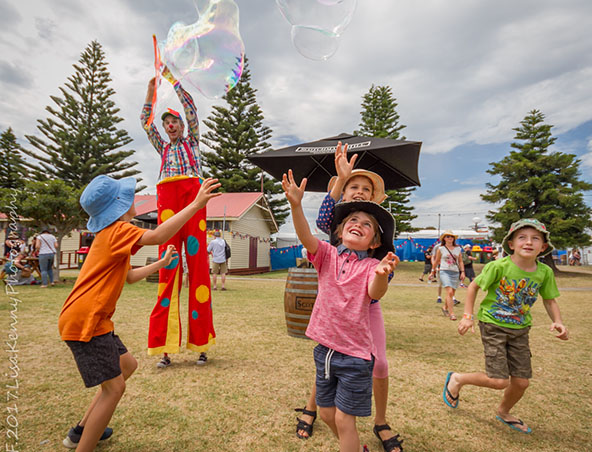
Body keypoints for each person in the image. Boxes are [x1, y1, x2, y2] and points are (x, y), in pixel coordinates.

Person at [59, 174, 220, 451]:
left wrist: (161, 263)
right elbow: (158, 234)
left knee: (127, 366)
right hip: (87, 321)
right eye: (128, 196)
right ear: (119, 206)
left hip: (94, 319)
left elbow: (129, 276)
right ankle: (83, 444)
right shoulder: (118, 230)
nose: (134, 199)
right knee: (115, 388)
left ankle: (81, 431)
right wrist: (195, 205)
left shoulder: (109, 235)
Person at [297, 144, 404, 452]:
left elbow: (382, 273)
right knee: (329, 357)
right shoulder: (336, 222)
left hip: (367, 297)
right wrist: (340, 181)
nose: (359, 192)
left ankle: (380, 422)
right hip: (336, 295)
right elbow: (318, 224)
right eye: (353, 187)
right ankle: (313, 407)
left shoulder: (376, 224)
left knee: (377, 362)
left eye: (365, 189)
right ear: (343, 192)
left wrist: (383, 273)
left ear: (375, 198)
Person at [443, 218, 568, 434]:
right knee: (499, 380)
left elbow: (549, 299)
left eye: (535, 239)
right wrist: (467, 316)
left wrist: (557, 321)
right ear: (511, 244)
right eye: (522, 237)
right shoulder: (499, 266)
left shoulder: (544, 272)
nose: (528, 242)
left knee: (521, 382)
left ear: (543, 247)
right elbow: (473, 287)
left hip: (521, 330)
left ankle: (503, 411)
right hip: (493, 325)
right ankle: (457, 379)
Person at [142, 66, 215, 368]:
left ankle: (201, 345)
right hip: (168, 204)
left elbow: (191, 109)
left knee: (198, 271)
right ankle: (165, 348)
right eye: (167, 122)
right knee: (168, 270)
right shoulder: (162, 148)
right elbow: (146, 125)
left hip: (194, 200)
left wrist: (172, 80)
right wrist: (150, 91)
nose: (170, 125)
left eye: (174, 121)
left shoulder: (192, 143)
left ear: (183, 126)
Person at [430, 231, 465, 320]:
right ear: (444, 238)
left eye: (452, 237)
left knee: (452, 293)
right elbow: (437, 261)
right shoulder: (441, 249)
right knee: (449, 292)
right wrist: (432, 271)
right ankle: (452, 313)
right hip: (444, 271)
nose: (450, 238)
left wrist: (462, 272)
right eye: (448, 236)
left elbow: (460, 261)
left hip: (455, 272)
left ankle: (445, 308)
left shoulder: (458, 249)